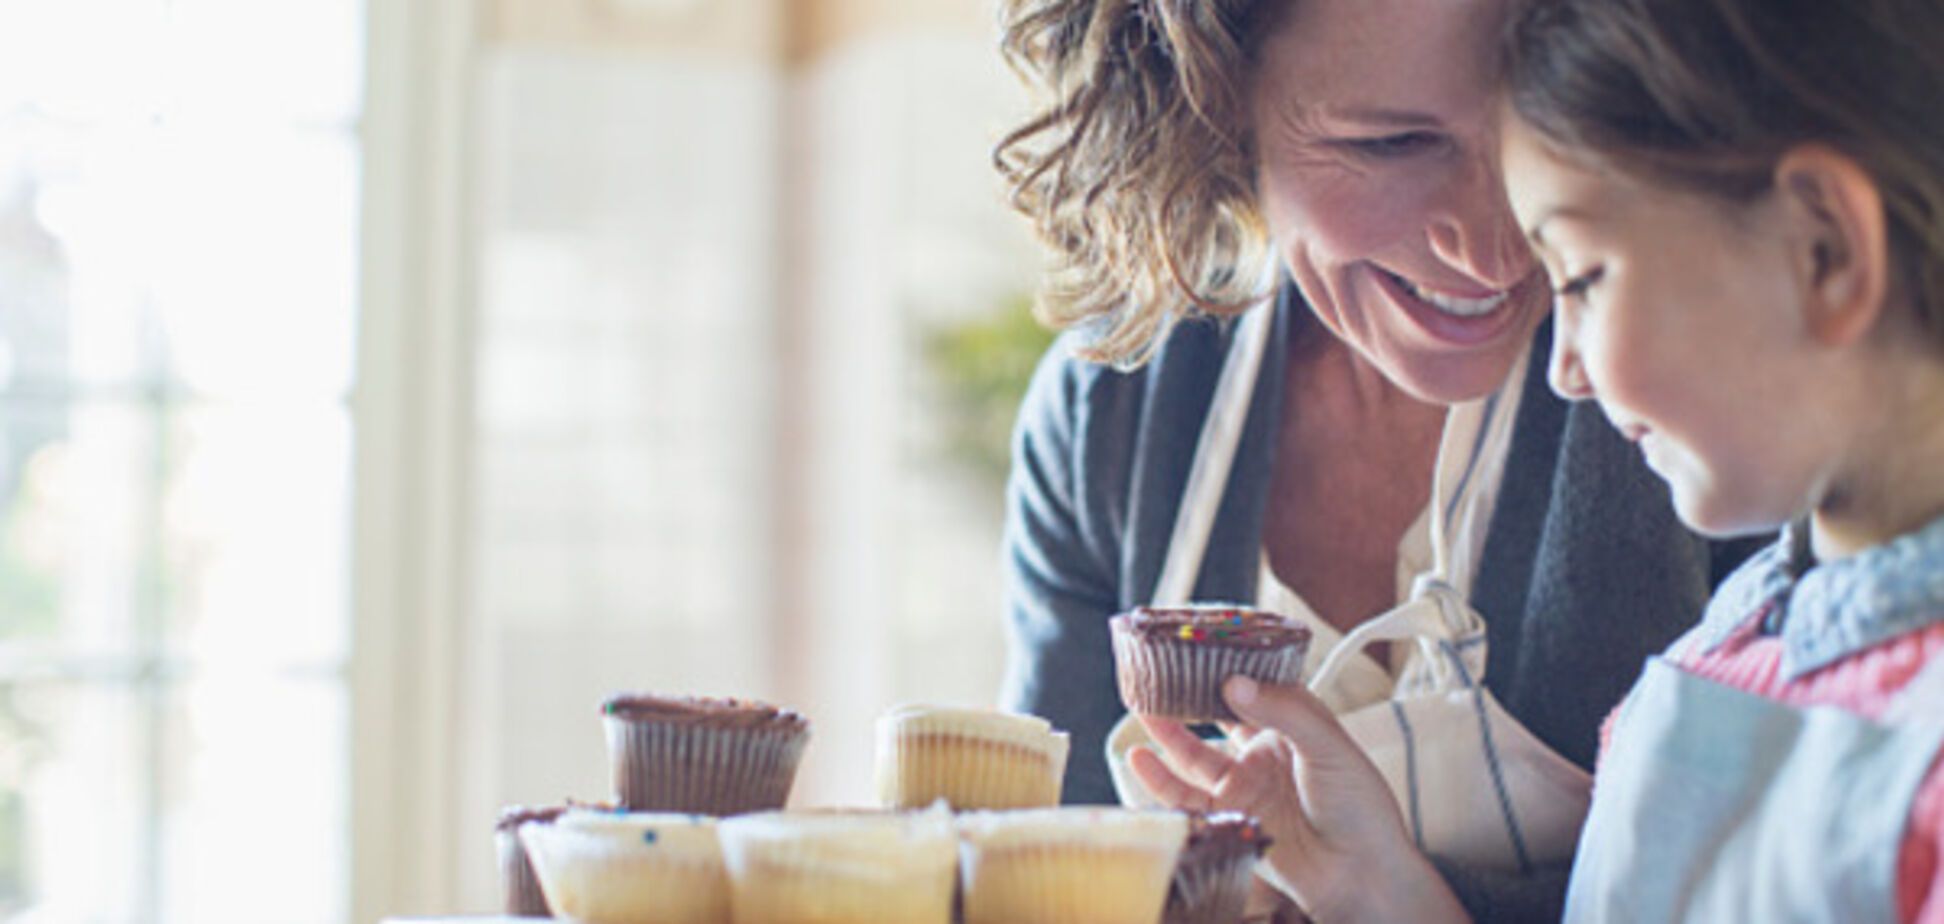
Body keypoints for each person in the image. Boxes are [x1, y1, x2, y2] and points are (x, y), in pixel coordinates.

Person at [1133, 0, 1944, 920]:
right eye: (1392, 141)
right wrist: (1366, 883)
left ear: (1825, 250)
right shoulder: (1735, 635)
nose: (1562, 368)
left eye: (1585, 278)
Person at [992, 0, 1759, 920]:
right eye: (1391, 144)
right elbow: (1043, 869)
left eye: (1541, 124)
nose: (1491, 246)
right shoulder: (1112, 415)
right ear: (1214, 108)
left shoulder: (1722, 403)